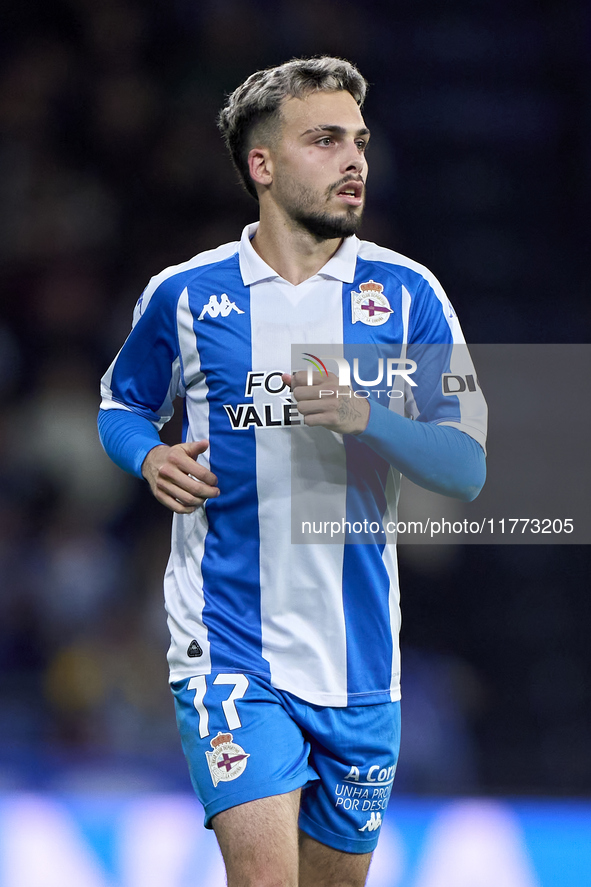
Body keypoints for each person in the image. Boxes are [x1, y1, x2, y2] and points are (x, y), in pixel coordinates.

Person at [98, 57, 487, 887]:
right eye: (324, 140)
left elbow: (464, 468)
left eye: (359, 141)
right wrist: (150, 455)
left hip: (357, 658)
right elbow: (121, 404)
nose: (354, 161)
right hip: (228, 644)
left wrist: (364, 416)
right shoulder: (186, 296)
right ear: (262, 165)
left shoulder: (409, 294)